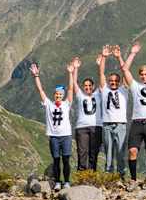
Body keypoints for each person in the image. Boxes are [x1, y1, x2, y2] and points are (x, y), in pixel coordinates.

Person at [115, 41, 146, 186]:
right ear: (140, 76)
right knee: (132, 151)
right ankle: (134, 179)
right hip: (136, 123)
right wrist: (132, 53)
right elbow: (125, 69)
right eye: (142, 74)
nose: (144, 77)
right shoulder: (134, 86)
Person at [29, 62, 73, 190]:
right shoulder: (48, 104)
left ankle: (67, 181)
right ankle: (58, 182)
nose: (58, 96)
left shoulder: (66, 104)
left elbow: (70, 89)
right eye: (56, 94)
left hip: (65, 136)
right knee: (56, 160)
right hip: (53, 136)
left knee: (66, 160)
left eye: (60, 95)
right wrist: (36, 76)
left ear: (62, 96)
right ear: (54, 95)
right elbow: (40, 90)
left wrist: (71, 73)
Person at [97, 45, 129, 177]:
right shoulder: (105, 90)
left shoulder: (124, 90)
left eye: (116, 81)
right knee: (108, 152)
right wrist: (104, 57)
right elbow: (101, 73)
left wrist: (119, 57)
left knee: (121, 152)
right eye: (111, 81)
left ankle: (121, 174)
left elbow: (125, 72)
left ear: (119, 82)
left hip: (120, 124)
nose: (113, 83)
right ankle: (109, 174)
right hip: (107, 125)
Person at [67, 57, 101, 172]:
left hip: (96, 127)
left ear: (93, 86)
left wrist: (99, 65)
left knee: (94, 152)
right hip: (81, 127)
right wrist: (75, 69)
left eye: (90, 86)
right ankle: (81, 175)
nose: (87, 88)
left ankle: (92, 175)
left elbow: (101, 79)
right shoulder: (80, 96)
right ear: (83, 87)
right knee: (82, 152)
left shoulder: (98, 94)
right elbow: (74, 83)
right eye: (85, 86)